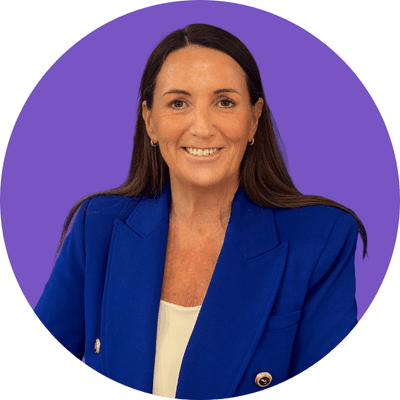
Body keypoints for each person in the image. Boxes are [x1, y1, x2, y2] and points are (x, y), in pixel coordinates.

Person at [35, 23, 367, 399]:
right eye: (178, 103)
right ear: (150, 121)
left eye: (224, 102)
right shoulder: (98, 227)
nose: (203, 128)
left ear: (254, 117)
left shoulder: (321, 239)